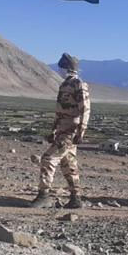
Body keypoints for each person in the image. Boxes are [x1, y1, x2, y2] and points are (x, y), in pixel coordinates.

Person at [30, 53, 90, 209]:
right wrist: (53, 130)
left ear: (67, 69)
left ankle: (44, 196)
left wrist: (81, 131)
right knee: (68, 165)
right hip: (62, 129)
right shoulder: (64, 85)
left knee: (48, 159)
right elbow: (60, 111)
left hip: (70, 130)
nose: (59, 71)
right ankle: (75, 199)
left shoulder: (79, 84)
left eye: (61, 68)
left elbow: (85, 109)